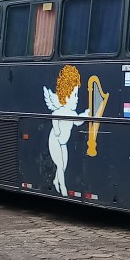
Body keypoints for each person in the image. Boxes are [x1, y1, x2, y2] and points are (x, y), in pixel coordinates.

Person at [43, 65, 89, 196]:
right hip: (55, 141)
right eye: (74, 95)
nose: (77, 98)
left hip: (62, 144)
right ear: (65, 95)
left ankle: (55, 180)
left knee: (62, 166)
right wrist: (57, 130)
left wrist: (86, 114)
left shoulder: (72, 113)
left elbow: (78, 122)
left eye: (77, 95)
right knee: (60, 165)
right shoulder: (61, 110)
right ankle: (63, 188)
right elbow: (53, 117)